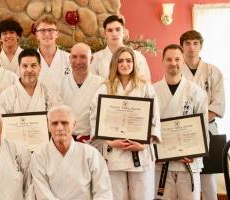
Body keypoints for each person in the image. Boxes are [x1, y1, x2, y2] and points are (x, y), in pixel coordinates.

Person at [89, 47, 161, 200]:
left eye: (128, 60)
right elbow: (95, 116)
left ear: (134, 63)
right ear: (115, 64)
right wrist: (110, 141)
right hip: (114, 152)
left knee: (143, 196)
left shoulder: (145, 87)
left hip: (141, 151)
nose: (125, 64)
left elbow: (155, 117)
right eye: (120, 61)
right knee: (116, 196)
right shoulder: (105, 88)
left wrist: (145, 144)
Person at [153, 44, 208, 200]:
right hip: (162, 164)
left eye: (177, 59)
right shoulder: (152, 91)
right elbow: (149, 128)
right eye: (169, 59)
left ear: (183, 61)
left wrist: (197, 152)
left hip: (189, 163)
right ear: (163, 61)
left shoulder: (196, 92)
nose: (173, 63)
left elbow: (203, 127)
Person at [180, 30, 225, 200]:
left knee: (209, 181)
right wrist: (188, 126)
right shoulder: (177, 70)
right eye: (187, 43)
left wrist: (196, 125)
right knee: (186, 181)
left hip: (207, 129)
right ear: (182, 46)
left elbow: (217, 105)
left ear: (201, 46)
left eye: (195, 43)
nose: (191, 47)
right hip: (183, 133)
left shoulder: (213, 71)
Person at [31, 105, 112, 200]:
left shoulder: (91, 154)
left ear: (74, 125)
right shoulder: (39, 156)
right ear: (48, 126)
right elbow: (43, 194)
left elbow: (103, 192)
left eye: (64, 123)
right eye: (54, 123)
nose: (59, 127)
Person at [59, 43, 104, 142]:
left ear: (91, 59)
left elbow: (105, 117)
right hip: (65, 141)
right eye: (74, 57)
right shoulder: (60, 83)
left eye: (83, 57)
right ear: (69, 59)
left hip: (92, 142)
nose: (78, 61)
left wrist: (93, 135)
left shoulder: (101, 84)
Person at [0, 48, 62, 113]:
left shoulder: (50, 95)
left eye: (33, 66)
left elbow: (57, 120)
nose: (29, 70)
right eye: (25, 66)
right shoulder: (7, 95)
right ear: (19, 68)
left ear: (40, 67)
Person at [90, 15, 151, 81]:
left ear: (123, 32)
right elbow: (92, 86)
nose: (114, 34)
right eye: (110, 30)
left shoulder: (138, 57)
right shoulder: (95, 58)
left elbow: (146, 85)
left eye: (118, 29)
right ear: (105, 33)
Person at [34, 16, 71, 91]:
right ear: (37, 35)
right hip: (38, 101)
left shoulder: (69, 59)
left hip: (64, 102)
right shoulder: (29, 59)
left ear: (57, 34)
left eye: (51, 30)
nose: (47, 34)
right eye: (42, 30)